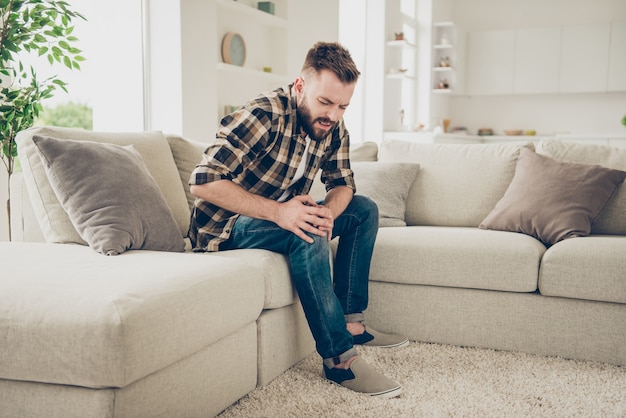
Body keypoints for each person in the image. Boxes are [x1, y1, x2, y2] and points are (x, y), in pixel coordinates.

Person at [188, 41, 408, 398]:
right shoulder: (264, 115)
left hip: (282, 217)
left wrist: (327, 212)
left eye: (342, 105)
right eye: (325, 102)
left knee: (364, 209)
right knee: (304, 227)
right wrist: (281, 212)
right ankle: (339, 361)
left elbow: (343, 185)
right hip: (225, 227)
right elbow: (203, 181)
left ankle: (352, 322)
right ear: (301, 86)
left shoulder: (332, 124)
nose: (333, 114)